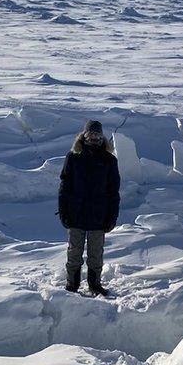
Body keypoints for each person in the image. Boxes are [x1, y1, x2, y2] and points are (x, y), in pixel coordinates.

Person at [57, 119, 121, 296]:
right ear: (84, 135)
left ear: (102, 136)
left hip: (98, 216)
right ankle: (72, 285)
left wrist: (112, 217)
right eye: (91, 134)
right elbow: (64, 187)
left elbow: (113, 192)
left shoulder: (109, 160)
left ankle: (94, 284)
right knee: (74, 252)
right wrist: (63, 211)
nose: (94, 137)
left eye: (97, 134)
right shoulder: (73, 157)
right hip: (75, 214)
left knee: (95, 254)